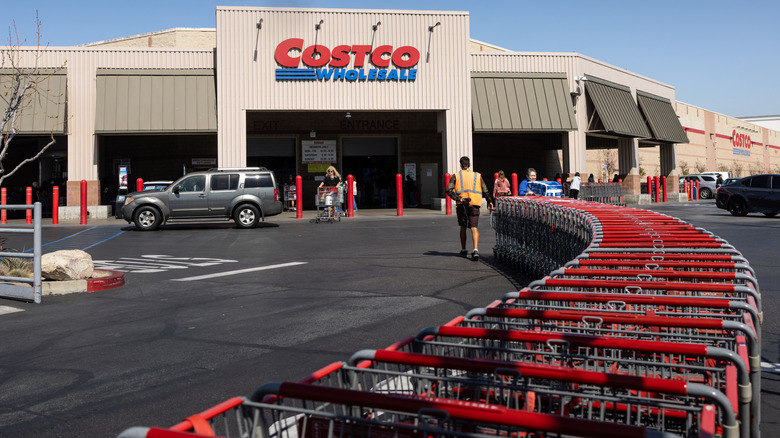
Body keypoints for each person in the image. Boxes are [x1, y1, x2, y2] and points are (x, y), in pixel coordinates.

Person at [446, 156, 494, 261]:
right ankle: (475, 250)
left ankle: (463, 249)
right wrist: (490, 201)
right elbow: (485, 189)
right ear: (469, 165)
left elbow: (448, 189)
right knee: (474, 227)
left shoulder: (456, 176)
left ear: (460, 164)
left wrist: (458, 198)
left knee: (463, 226)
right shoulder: (477, 175)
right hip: (475, 203)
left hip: (462, 204)